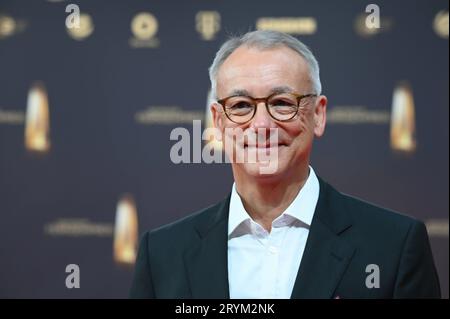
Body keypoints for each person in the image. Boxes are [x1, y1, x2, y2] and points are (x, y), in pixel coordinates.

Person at [130, 30, 441, 299]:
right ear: (218, 122)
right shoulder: (162, 254)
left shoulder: (394, 245)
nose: (262, 124)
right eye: (241, 106)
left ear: (318, 115)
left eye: (282, 103)